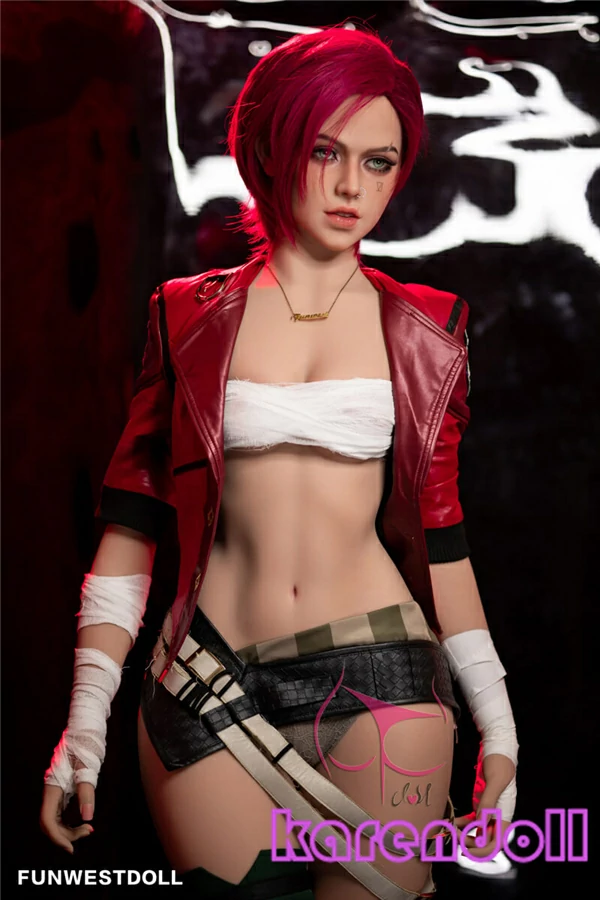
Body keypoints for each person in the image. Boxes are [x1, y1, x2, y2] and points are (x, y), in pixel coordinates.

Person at [40, 23, 518, 900]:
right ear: (269, 149)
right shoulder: (184, 316)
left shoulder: (428, 328)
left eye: (379, 161)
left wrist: (500, 724)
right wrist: (84, 725)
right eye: (325, 151)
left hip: (381, 676)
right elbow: (130, 526)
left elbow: (442, 539)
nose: (351, 186)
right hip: (203, 675)